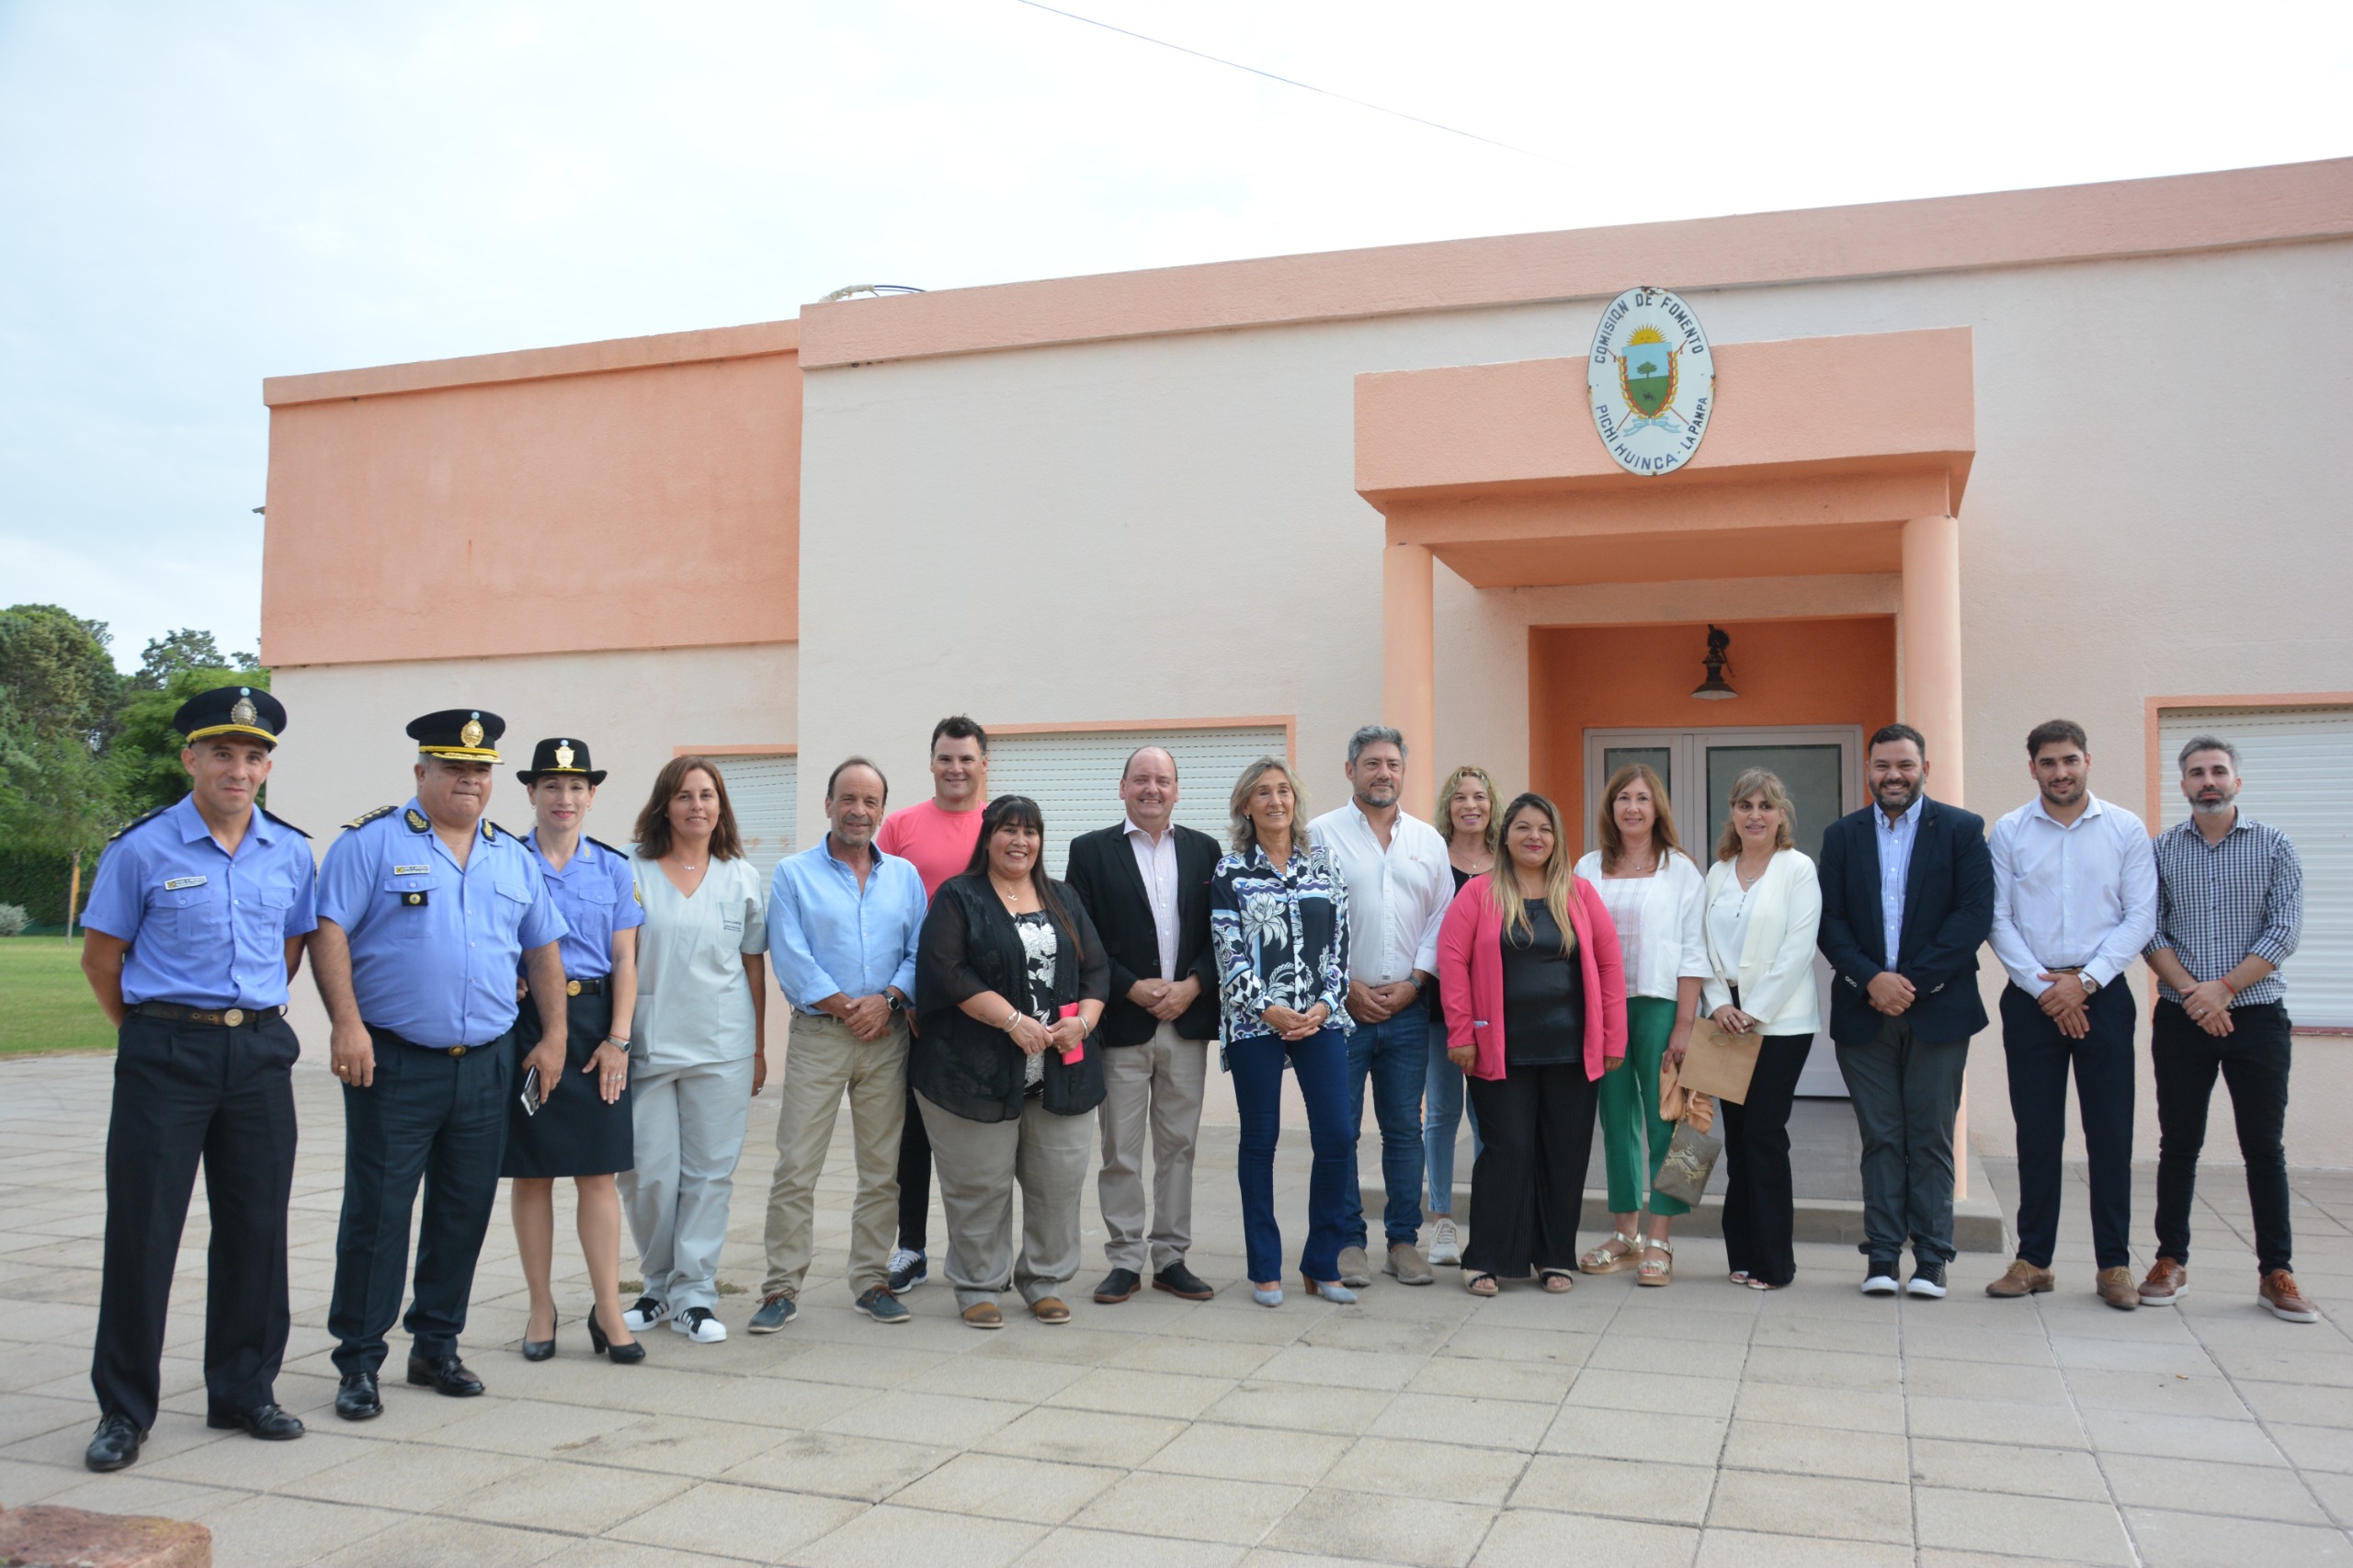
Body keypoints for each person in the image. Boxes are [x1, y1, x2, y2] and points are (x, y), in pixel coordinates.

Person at [77, 686, 316, 1472]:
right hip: (164, 1054)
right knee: (144, 1231)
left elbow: (289, 952)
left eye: (252, 756)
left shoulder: (289, 851)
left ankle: (243, 1391)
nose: (237, 769)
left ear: (268, 766)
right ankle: (124, 1410)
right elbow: (102, 960)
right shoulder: (142, 849)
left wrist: (238, 1026)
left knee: (256, 1229)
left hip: (255, 1054)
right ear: (191, 759)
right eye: (222, 753)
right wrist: (151, 1035)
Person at [313, 710, 569, 1420]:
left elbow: (542, 948)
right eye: (453, 767)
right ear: (421, 772)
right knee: (379, 1216)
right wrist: (346, 1024)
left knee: (461, 1211)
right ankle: (359, 1362)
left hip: (487, 1063)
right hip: (393, 1061)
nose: (469, 779)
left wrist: (553, 1037)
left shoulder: (511, 857)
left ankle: (436, 1347)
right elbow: (328, 929)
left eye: (480, 769)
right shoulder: (370, 844)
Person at [910, 796, 1109, 1328]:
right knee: (980, 1185)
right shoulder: (959, 896)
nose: (1019, 841)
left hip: (1060, 1071)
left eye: (1030, 831)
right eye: (1007, 830)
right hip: (973, 1071)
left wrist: (1084, 1023)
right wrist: (1012, 1022)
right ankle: (978, 1283)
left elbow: (1097, 971)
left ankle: (1044, 1280)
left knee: (1058, 1182)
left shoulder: (1063, 897)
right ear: (988, 836)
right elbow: (946, 972)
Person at [749, 757, 926, 1332]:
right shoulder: (794, 873)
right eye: (847, 799)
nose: (859, 810)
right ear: (828, 805)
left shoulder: (904, 876)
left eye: (870, 801)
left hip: (887, 1036)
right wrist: (849, 1007)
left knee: (881, 1170)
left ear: (882, 810)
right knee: (797, 1166)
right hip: (821, 1036)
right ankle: (780, 1288)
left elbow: (920, 952)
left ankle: (871, 1281)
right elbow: (791, 953)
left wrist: (890, 1000)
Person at [2140, 736, 2313, 1322]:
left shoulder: (2274, 846)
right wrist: (2196, 995)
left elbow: (2283, 930)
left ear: (2237, 780)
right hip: (2183, 1018)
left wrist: (2225, 989)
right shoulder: (2161, 850)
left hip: (2258, 1016)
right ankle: (2169, 1259)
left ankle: (2276, 1272)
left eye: (2218, 771)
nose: (2207, 781)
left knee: (2263, 1147)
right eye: (2196, 773)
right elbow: (2150, 930)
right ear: (2182, 785)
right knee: (2178, 1144)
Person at [1817, 723, 1993, 1300]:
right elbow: (1831, 922)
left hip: (1938, 1012)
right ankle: (1883, 1257)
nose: (1894, 776)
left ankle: (1933, 1260)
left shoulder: (1962, 831)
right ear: (1869, 771)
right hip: (1864, 1012)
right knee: (1881, 1138)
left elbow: (1972, 916)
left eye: (1905, 766)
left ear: (1925, 768)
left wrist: (1908, 984)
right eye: (1883, 766)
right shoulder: (1842, 836)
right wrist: (1871, 980)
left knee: (1931, 1137)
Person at [1985, 721, 2156, 1310]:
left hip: (2103, 994)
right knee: (2037, 1133)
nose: (2061, 772)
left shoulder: (2125, 829)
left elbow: (2140, 917)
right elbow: (1997, 918)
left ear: (2089, 761)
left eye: (2071, 760)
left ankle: (2114, 1266)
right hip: (2032, 998)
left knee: (2109, 1134)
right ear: (2031, 767)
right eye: (2049, 762)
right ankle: (2035, 1260)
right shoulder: (2009, 831)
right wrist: (2045, 989)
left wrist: (2082, 984)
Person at [1438, 793, 1626, 1297]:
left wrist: (1613, 1036)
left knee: (1564, 1154)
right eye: (1522, 827)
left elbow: (1609, 967)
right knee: (1508, 1150)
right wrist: (1461, 1033)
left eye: (1544, 828)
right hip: (1500, 1051)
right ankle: (1487, 1258)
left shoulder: (1581, 895)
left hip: (1571, 1051)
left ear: (1557, 838)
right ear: (1505, 836)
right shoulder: (1478, 893)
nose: (1534, 837)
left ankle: (1554, 1255)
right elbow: (1452, 963)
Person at [617, 757, 768, 1346]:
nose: (697, 806)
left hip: (722, 1045)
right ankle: (656, 1286)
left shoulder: (741, 876)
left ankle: (696, 1295)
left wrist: (756, 1047)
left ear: (721, 807)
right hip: (648, 1044)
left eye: (708, 795)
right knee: (646, 1175)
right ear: (664, 805)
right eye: (684, 795)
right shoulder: (630, 869)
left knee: (709, 1176)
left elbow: (753, 964)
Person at [503, 738, 644, 1364]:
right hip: (525, 1022)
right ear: (531, 793)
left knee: (598, 1172)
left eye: (577, 787)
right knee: (532, 1172)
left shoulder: (613, 868)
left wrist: (618, 1040)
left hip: (593, 1024)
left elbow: (625, 960)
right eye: (552, 787)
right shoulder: (504, 860)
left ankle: (608, 1309)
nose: (565, 799)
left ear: (591, 795)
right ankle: (540, 1306)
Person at [1064, 745, 1222, 1305]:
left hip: (1186, 1021)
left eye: (1162, 780)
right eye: (1141, 780)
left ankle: (1172, 1257)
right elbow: (1082, 934)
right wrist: (1129, 985)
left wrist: (1194, 985)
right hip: (1123, 1023)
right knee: (1121, 1151)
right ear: (1123, 787)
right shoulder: (1088, 851)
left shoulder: (1206, 850)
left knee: (1179, 1147)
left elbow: (1218, 933)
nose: (1152, 789)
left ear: (1177, 790)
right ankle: (1125, 1259)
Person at [1210, 757, 1357, 1307]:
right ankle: (1264, 1267)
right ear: (1246, 806)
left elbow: (1340, 945)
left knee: (1338, 1137)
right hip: (1255, 1022)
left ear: (1295, 801)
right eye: (1263, 793)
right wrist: (1269, 1009)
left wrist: (1322, 1005)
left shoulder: (1324, 866)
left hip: (1321, 1019)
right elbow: (1228, 952)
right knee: (1260, 1141)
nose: (1276, 801)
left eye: (1284, 791)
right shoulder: (1231, 872)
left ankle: (1323, 1262)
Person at [1310, 725, 1452, 1289]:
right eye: (1371, 763)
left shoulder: (1427, 841)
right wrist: (1343, 985)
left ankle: (1402, 1241)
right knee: (1340, 1130)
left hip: (1408, 1009)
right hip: (1341, 1009)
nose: (1383, 773)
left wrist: (1417, 982)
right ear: (1350, 770)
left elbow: (1442, 918)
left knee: (1403, 1129)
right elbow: (1309, 920)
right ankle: (1347, 1242)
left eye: (1392, 763)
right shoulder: (1319, 834)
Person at [1574, 764, 1709, 1287]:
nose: (1633, 807)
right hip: (1602, 1009)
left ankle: (1662, 1239)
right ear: (1610, 808)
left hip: (1659, 1006)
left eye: (1643, 799)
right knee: (1616, 1121)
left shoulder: (1681, 871)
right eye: (1623, 798)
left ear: (1658, 810)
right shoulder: (1587, 867)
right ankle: (1625, 1235)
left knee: (1670, 1122)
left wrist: (1684, 1024)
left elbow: (1693, 951)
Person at [876, 715, 989, 1294]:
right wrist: (904, 997)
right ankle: (912, 1248)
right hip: (918, 1009)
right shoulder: (898, 827)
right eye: (946, 758)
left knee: (987, 1137)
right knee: (913, 1135)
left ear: (983, 765)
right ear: (931, 763)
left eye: (966, 759)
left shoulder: (1000, 827)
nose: (956, 769)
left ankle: (987, 1252)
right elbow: (881, 915)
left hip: (989, 1010)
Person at [1699, 770, 1824, 1291]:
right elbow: (1699, 944)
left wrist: (1753, 1009)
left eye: (1765, 807)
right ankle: (1742, 1251)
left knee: (1764, 1136)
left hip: (1780, 1023)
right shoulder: (1719, 871)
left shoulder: (1798, 869)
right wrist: (1717, 1003)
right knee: (1738, 1139)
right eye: (1745, 805)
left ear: (1781, 815)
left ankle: (1775, 1262)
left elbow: (1799, 948)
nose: (1755, 815)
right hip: (1725, 1021)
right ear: (1732, 813)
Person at [1424, 764, 1497, 1268]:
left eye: (1480, 797)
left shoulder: (1508, 861)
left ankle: (1490, 1218)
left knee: (1488, 1116)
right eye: (1460, 797)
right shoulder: (1432, 857)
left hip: (1494, 1010)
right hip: (1438, 1008)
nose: (1470, 805)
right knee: (1443, 1114)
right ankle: (1443, 1220)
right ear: (1448, 807)